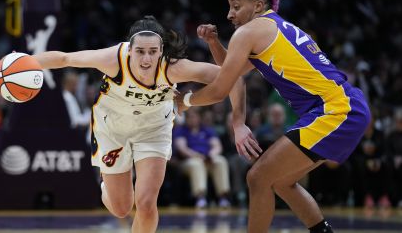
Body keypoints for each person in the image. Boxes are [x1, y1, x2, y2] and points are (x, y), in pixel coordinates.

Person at [176, 0, 370, 233]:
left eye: (236, 6)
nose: (229, 14)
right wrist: (213, 42)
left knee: (258, 177)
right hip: (340, 106)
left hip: (335, 109)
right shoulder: (270, 26)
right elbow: (231, 68)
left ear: (257, 5)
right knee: (280, 182)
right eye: (229, 7)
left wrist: (184, 101)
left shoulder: (250, 32)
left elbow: (220, 88)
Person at [31, 16, 253, 233]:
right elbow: (64, 59)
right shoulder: (113, 59)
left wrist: (238, 123)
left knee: (146, 204)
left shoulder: (173, 67)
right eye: (140, 51)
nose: (146, 59)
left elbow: (232, 78)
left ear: (161, 50)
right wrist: (23, 61)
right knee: (121, 209)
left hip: (153, 128)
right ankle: (106, 184)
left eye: (153, 52)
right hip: (112, 129)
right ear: (129, 49)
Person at [173, 107, 231, 208]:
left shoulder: (207, 130)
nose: (192, 119)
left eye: (194, 117)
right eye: (189, 117)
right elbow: (182, 149)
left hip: (207, 159)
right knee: (197, 163)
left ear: (199, 118)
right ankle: (201, 198)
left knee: (221, 161)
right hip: (188, 161)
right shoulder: (181, 130)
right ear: (186, 119)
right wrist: (198, 156)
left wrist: (211, 155)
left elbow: (217, 146)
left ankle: (223, 197)